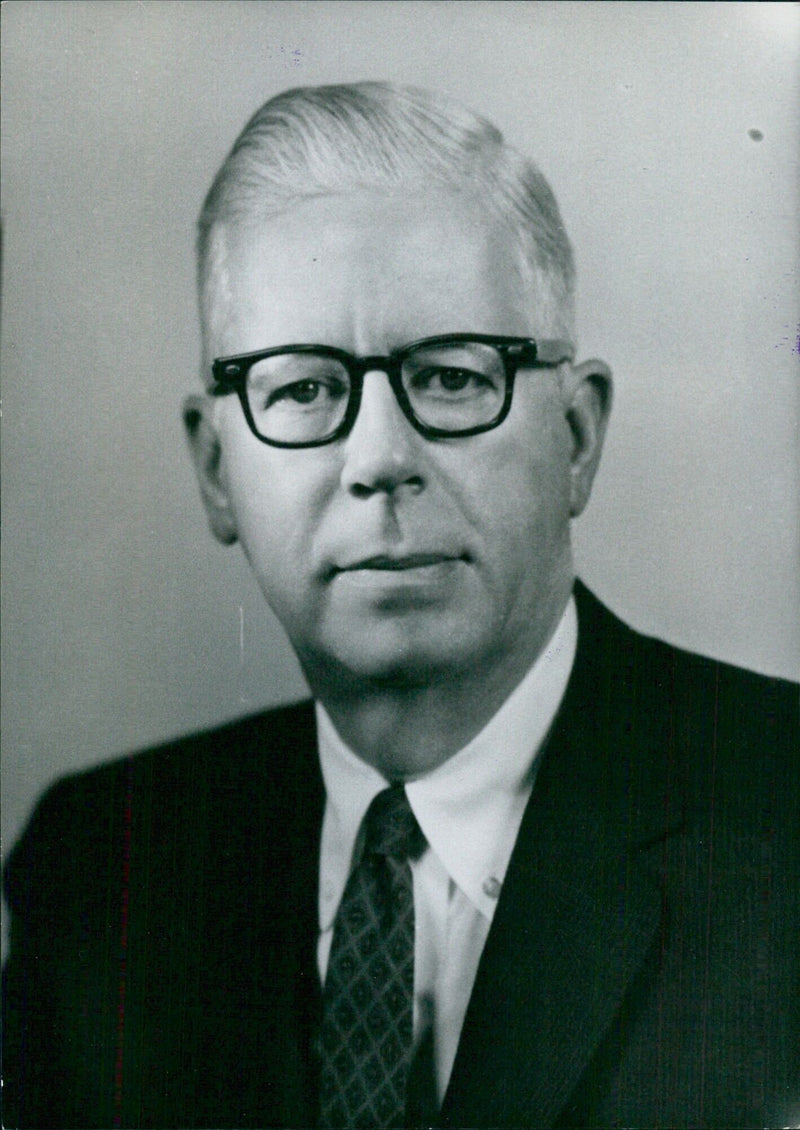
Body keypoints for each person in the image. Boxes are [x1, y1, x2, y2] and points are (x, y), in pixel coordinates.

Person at [2, 82, 798, 1130]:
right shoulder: (102, 861)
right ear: (212, 469)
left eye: (454, 377)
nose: (378, 459)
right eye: (301, 390)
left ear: (575, 437)